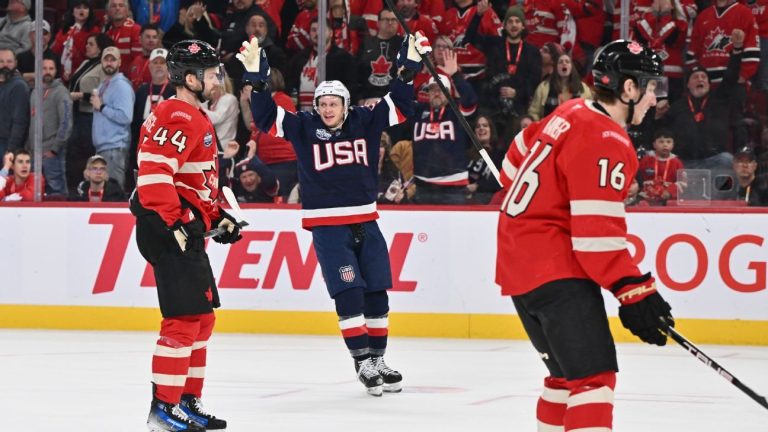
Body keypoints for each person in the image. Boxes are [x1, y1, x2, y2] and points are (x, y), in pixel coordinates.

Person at [495, 40, 675, 431]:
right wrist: (636, 292)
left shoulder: (570, 110)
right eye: (649, 87)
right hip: (556, 270)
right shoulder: (607, 139)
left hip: (520, 269)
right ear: (628, 89)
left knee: (564, 380)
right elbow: (596, 239)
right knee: (593, 382)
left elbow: (512, 162)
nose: (653, 99)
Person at [240, 31, 432, 395]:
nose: (328, 109)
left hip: (365, 219)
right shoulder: (304, 126)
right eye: (323, 103)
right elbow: (266, 118)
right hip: (328, 227)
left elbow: (401, 104)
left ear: (345, 105)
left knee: (377, 293)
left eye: (334, 103)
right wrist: (257, 80)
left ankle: (378, 359)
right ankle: (362, 362)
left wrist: (408, 68)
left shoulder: (366, 119)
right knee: (348, 292)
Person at [130, 39, 241, 431]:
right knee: (181, 320)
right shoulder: (178, 115)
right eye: (211, 74)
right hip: (166, 227)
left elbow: (193, 183)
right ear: (190, 78)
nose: (217, 80)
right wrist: (175, 222)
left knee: (200, 319)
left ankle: (186, 401)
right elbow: (154, 177)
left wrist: (217, 218)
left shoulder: (192, 114)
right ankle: (163, 408)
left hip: (180, 225)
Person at [411, 49, 478, 204]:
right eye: (433, 89)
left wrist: (455, 75)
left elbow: (470, 100)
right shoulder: (418, 111)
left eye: (441, 89)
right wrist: (408, 75)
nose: (436, 93)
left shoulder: (456, 112)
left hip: (453, 187)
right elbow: (399, 100)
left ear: (449, 93)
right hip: (423, 186)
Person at [66, 33, 113, 194]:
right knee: (73, 152)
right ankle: (76, 187)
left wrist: (80, 96)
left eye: (91, 43)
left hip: (90, 116)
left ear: (100, 48)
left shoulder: (103, 68)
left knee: (85, 152)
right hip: (77, 114)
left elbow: (102, 93)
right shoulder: (85, 62)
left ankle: (89, 187)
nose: (87, 46)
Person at [27, 58, 73, 197]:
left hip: (52, 152)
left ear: (56, 71)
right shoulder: (35, 91)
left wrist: (55, 149)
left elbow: (66, 122)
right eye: (44, 68)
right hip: (35, 152)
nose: (47, 72)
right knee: (35, 192)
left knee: (56, 191)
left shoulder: (61, 92)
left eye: (51, 68)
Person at [91, 45, 135, 189]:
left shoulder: (122, 86)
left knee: (114, 192)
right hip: (106, 147)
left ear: (119, 62)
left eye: (113, 60)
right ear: (101, 62)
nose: (109, 63)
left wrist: (102, 107)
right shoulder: (105, 84)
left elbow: (126, 116)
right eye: (106, 59)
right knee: (106, 193)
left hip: (115, 148)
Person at [528, 52, 593, 121]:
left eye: (567, 62)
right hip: (548, 128)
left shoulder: (583, 89)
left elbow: (590, 112)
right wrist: (539, 125)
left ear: (572, 68)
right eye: (560, 62)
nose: (564, 63)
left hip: (574, 128)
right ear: (556, 68)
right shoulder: (544, 87)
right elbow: (534, 112)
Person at [51, 0, 101, 83]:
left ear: (89, 12)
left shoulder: (95, 30)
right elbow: (56, 51)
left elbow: (91, 54)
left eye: (85, 8)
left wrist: (75, 35)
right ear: (72, 12)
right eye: (78, 8)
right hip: (63, 73)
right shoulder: (64, 30)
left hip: (84, 74)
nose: (82, 10)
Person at [637, 129, 685, 205]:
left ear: (673, 145)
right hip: (647, 198)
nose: (665, 145)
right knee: (641, 205)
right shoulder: (646, 160)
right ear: (654, 145)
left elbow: (683, 182)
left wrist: (670, 191)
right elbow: (637, 178)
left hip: (669, 198)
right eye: (661, 142)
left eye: (668, 142)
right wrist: (643, 189)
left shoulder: (677, 162)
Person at [0, 48, 29, 157]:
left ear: (15, 63)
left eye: (9, 61)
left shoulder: (19, 86)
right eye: (1, 61)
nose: (5, 65)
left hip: (6, 143)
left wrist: (11, 149)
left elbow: (20, 121)